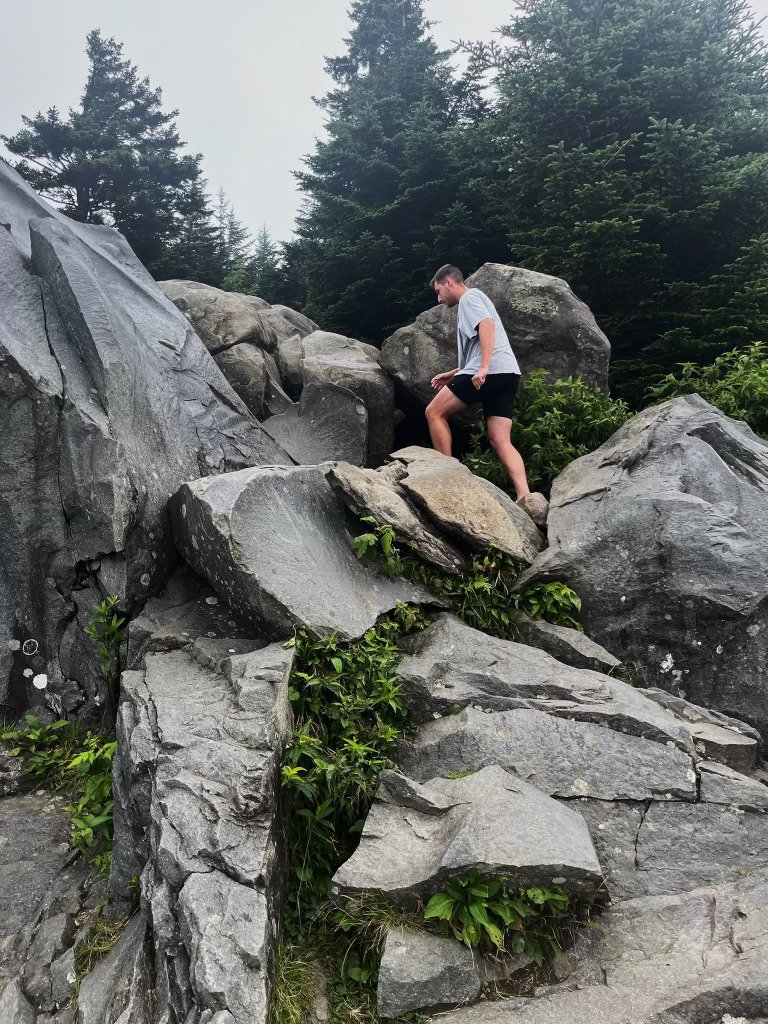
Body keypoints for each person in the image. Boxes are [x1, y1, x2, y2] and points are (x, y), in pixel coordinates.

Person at [425, 264, 546, 520]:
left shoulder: (469, 297)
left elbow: (487, 326)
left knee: (434, 412)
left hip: (489, 371)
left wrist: (483, 368)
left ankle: (447, 476)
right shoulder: (477, 298)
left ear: (449, 282)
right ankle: (525, 496)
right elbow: (481, 346)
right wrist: (453, 373)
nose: (439, 299)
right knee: (500, 439)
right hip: (507, 373)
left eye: (438, 292)